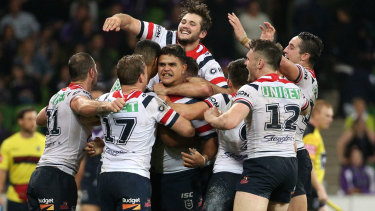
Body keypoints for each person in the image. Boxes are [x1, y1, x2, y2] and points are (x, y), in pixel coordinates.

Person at [228, 16, 323, 211]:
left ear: (304, 56)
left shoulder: (305, 76)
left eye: (291, 47)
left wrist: (248, 41)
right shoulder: (287, 81)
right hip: (285, 153)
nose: (285, 50)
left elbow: (275, 60)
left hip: (292, 152)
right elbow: (268, 63)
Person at [204, 39, 309, 211]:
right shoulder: (294, 90)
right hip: (290, 165)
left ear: (259, 62)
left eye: (247, 59)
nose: (245, 63)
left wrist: (212, 118)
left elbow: (229, 122)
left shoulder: (252, 89)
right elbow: (305, 109)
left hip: (263, 163)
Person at [90, 54, 195, 211]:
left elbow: (85, 120)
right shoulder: (149, 102)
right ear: (141, 77)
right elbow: (187, 130)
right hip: (133, 177)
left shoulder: (105, 99)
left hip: (106, 176)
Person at [26, 52, 126, 211]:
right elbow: (80, 106)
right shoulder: (80, 95)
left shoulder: (57, 96)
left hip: (40, 176)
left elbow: (39, 119)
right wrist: (107, 106)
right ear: (92, 73)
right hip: (57, 177)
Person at [169, 58, 249, 211]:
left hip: (228, 169)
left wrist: (160, 98)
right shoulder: (263, 98)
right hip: (258, 169)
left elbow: (186, 111)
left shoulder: (224, 99)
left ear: (229, 83)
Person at [103, 0, 228, 97]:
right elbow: (130, 22)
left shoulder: (206, 61)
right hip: (145, 98)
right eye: (183, 22)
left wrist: (197, 84)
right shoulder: (163, 35)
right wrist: (118, 19)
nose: (185, 26)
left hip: (177, 109)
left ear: (202, 34)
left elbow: (225, 93)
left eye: (192, 24)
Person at [150, 45, 217, 211]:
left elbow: (210, 139)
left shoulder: (194, 103)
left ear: (183, 68)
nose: (166, 69)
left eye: (172, 65)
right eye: (162, 64)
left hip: (183, 176)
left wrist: (204, 159)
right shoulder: (148, 96)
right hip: (152, 177)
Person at [0, 108, 45, 211]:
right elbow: (2, 170)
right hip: (15, 196)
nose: (33, 122)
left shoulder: (45, 142)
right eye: (29, 119)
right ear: (20, 121)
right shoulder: (8, 144)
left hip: (41, 196)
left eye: (35, 119)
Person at [303, 100, 334, 211]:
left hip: (312, 190)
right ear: (315, 113)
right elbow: (308, 163)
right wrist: (320, 189)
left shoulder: (315, 133)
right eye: (327, 115)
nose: (330, 119)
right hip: (308, 190)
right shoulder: (311, 135)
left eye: (331, 116)